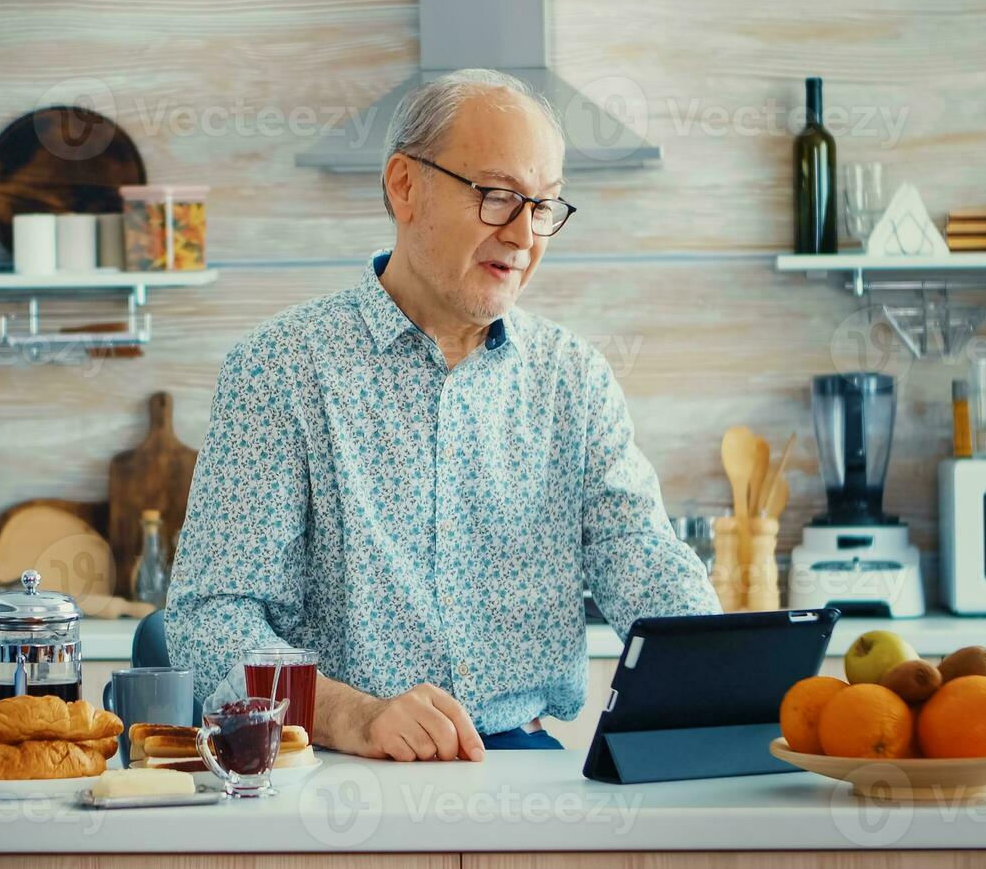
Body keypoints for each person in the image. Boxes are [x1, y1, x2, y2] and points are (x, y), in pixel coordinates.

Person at [166, 69, 720, 761]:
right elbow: (206, 623)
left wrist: (734, 676)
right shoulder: (280, 371)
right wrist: (353, 716)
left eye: (543, 205)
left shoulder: (572, 379)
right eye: (496, 196)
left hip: (523, 769)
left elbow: (643, 562)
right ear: (405, 186)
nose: (523, 235)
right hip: (337, 768)